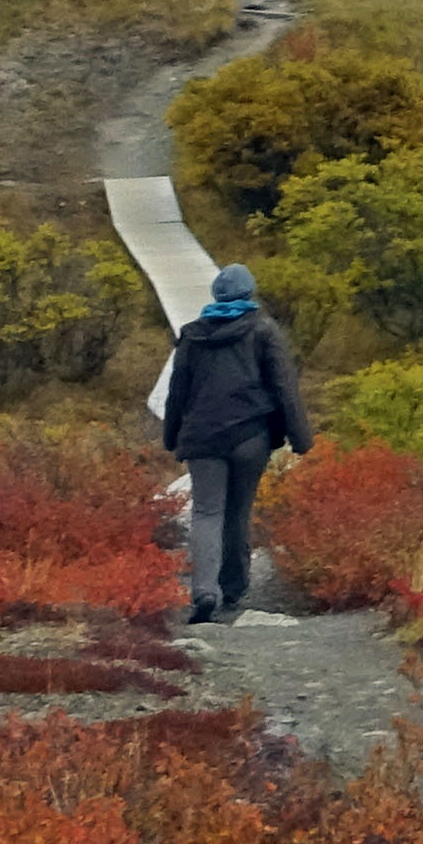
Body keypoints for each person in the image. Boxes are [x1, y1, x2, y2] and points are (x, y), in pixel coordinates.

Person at [160, 261, 312, 624]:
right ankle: (233, 588)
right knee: (238, 512)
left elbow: (177, 392)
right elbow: (285, 389)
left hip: (203, 438)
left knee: (207, 512)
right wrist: (300, 438)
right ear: (250, 292)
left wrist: (171, 435)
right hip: (251, 436)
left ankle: (204, 592)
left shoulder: (193, 335)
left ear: (216, 295)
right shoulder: (263, 330)